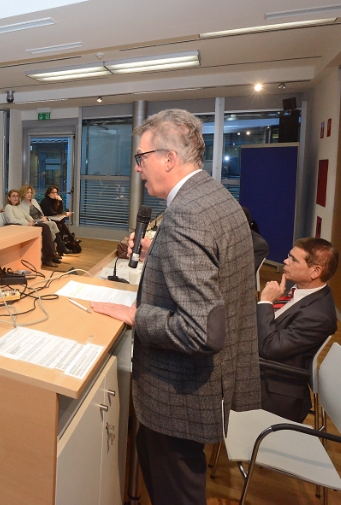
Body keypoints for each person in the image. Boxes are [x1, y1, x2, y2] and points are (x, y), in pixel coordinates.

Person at [90, 109, 259, 505]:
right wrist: (161, 251)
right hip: (208, 384)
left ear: (168, 158)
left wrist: (136, 315)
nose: (137, 168)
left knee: (176, 490)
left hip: (179, 393)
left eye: (141, 157)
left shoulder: (186, 215)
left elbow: (200, 331)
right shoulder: (214, 196)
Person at [257, 238, 338, 422]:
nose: (285, 261)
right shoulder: (302, 291)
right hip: (264, 363)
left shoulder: (318, 316)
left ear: (315, 271)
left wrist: (266, 302)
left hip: (272, 386)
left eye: (293, 259)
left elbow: (269, 348)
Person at [4, 189, 60, 267]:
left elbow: (27, 215)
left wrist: (31, 221)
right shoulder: (8, 207)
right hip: (20, 227)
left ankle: (49, 255)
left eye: (17, 196)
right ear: (9, 198)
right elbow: (12, 220)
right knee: (44, 227)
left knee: (46, 227)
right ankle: (50, 254)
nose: (16, 198)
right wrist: (27, 223)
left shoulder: (18, 207)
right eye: (13, 196)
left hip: (28, 226)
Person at [19, 185, 71, 255]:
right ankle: (56, 250)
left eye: (30, 192)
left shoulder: (34, 201)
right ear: (23, 193)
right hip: (34, 222)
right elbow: (28, 218)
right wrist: (40, 220)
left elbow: (40, 212)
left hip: (41, 219)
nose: (29, 194)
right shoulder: (22, 205)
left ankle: (59, 248)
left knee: (53, 224)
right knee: (52, 228)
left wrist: (43, 218)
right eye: (27, 193)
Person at [40, 185, 80, 253]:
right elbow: (50, 212)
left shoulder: (56, 200)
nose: (55, 194)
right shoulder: (45, 201)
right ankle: (70, 238)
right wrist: (63, 214)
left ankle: (61, 246)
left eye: (56, 192)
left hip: (54, 219)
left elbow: (60, 211)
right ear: (48, 193)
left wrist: (60, 201)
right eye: (53, 192)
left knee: (61, 226)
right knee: (62, 222)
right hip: (47, 218)